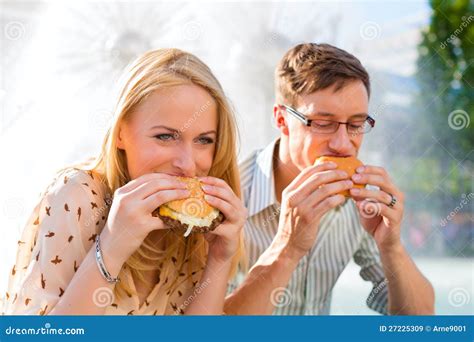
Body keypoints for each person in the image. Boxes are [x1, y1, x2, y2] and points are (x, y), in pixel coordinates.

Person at [2, 48, 247, 315]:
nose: (188, 165)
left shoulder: (199, 227)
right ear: (120, 133)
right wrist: (113, 245)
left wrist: (219, 259)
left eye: (204, 140)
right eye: (165, 137)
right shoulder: (78, 197)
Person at [224, 43, 435, 315]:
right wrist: (287, 247)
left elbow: (421, 323)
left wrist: (391, 246)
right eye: (323, 123)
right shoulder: (227, 196)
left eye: (356, 124)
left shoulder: (358, 203)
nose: (343, 144)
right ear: (281, 119)